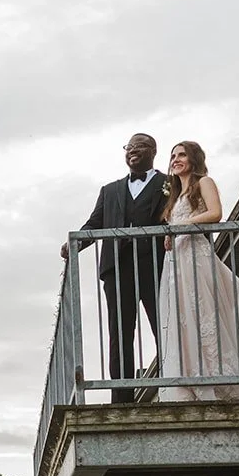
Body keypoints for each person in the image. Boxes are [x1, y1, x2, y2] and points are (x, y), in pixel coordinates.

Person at [157, 141, 239, 401]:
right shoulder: (176, 193)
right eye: (173, 156)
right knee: (184, 319)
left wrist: (182, 225)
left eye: (182, 155)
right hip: (178, 259)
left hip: (196, 257)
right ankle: (192, 379)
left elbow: (216, 213)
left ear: (193, 158)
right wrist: (170, 235)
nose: (176, 159)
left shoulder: (204, 182)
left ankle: (217, 378)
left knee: (204, 315)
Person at [62, 133, 167, 404]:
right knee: (119, 335)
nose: (132, 151)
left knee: (165, 328)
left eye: (139, 146)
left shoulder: (169, 183)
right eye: (129, 147)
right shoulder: (109, 190)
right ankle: (122, 400)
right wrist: (74, 244)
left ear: (153, 151)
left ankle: (171, 388)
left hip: (156, 266)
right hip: (117, 270)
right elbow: (94, 223)